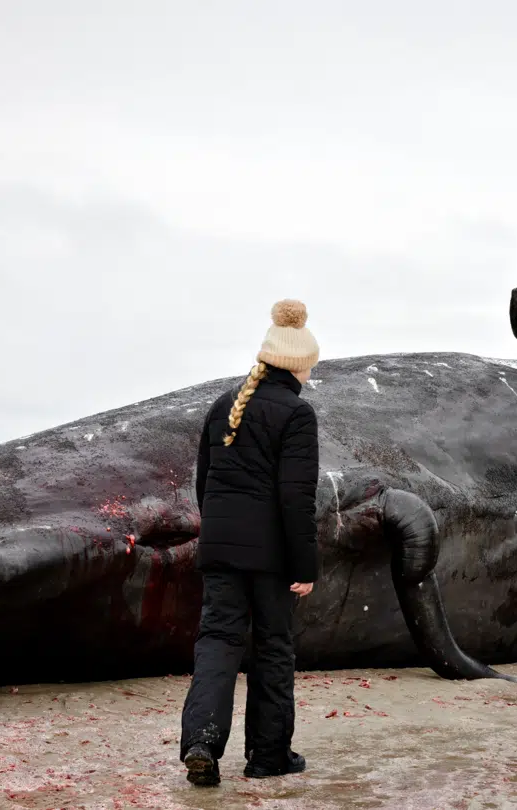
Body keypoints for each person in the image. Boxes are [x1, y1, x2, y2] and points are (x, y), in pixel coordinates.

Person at [181, 299, 321, 787]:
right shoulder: (297, 414)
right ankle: (268, 757)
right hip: (273, 558)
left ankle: (202, 741)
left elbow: (205, 486)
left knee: (217, 644)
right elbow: (296, 499)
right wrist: (305, 565)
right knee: (273, 649)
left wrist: (220, 536)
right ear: (299, 365)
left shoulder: (224, 408)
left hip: (221, 552)